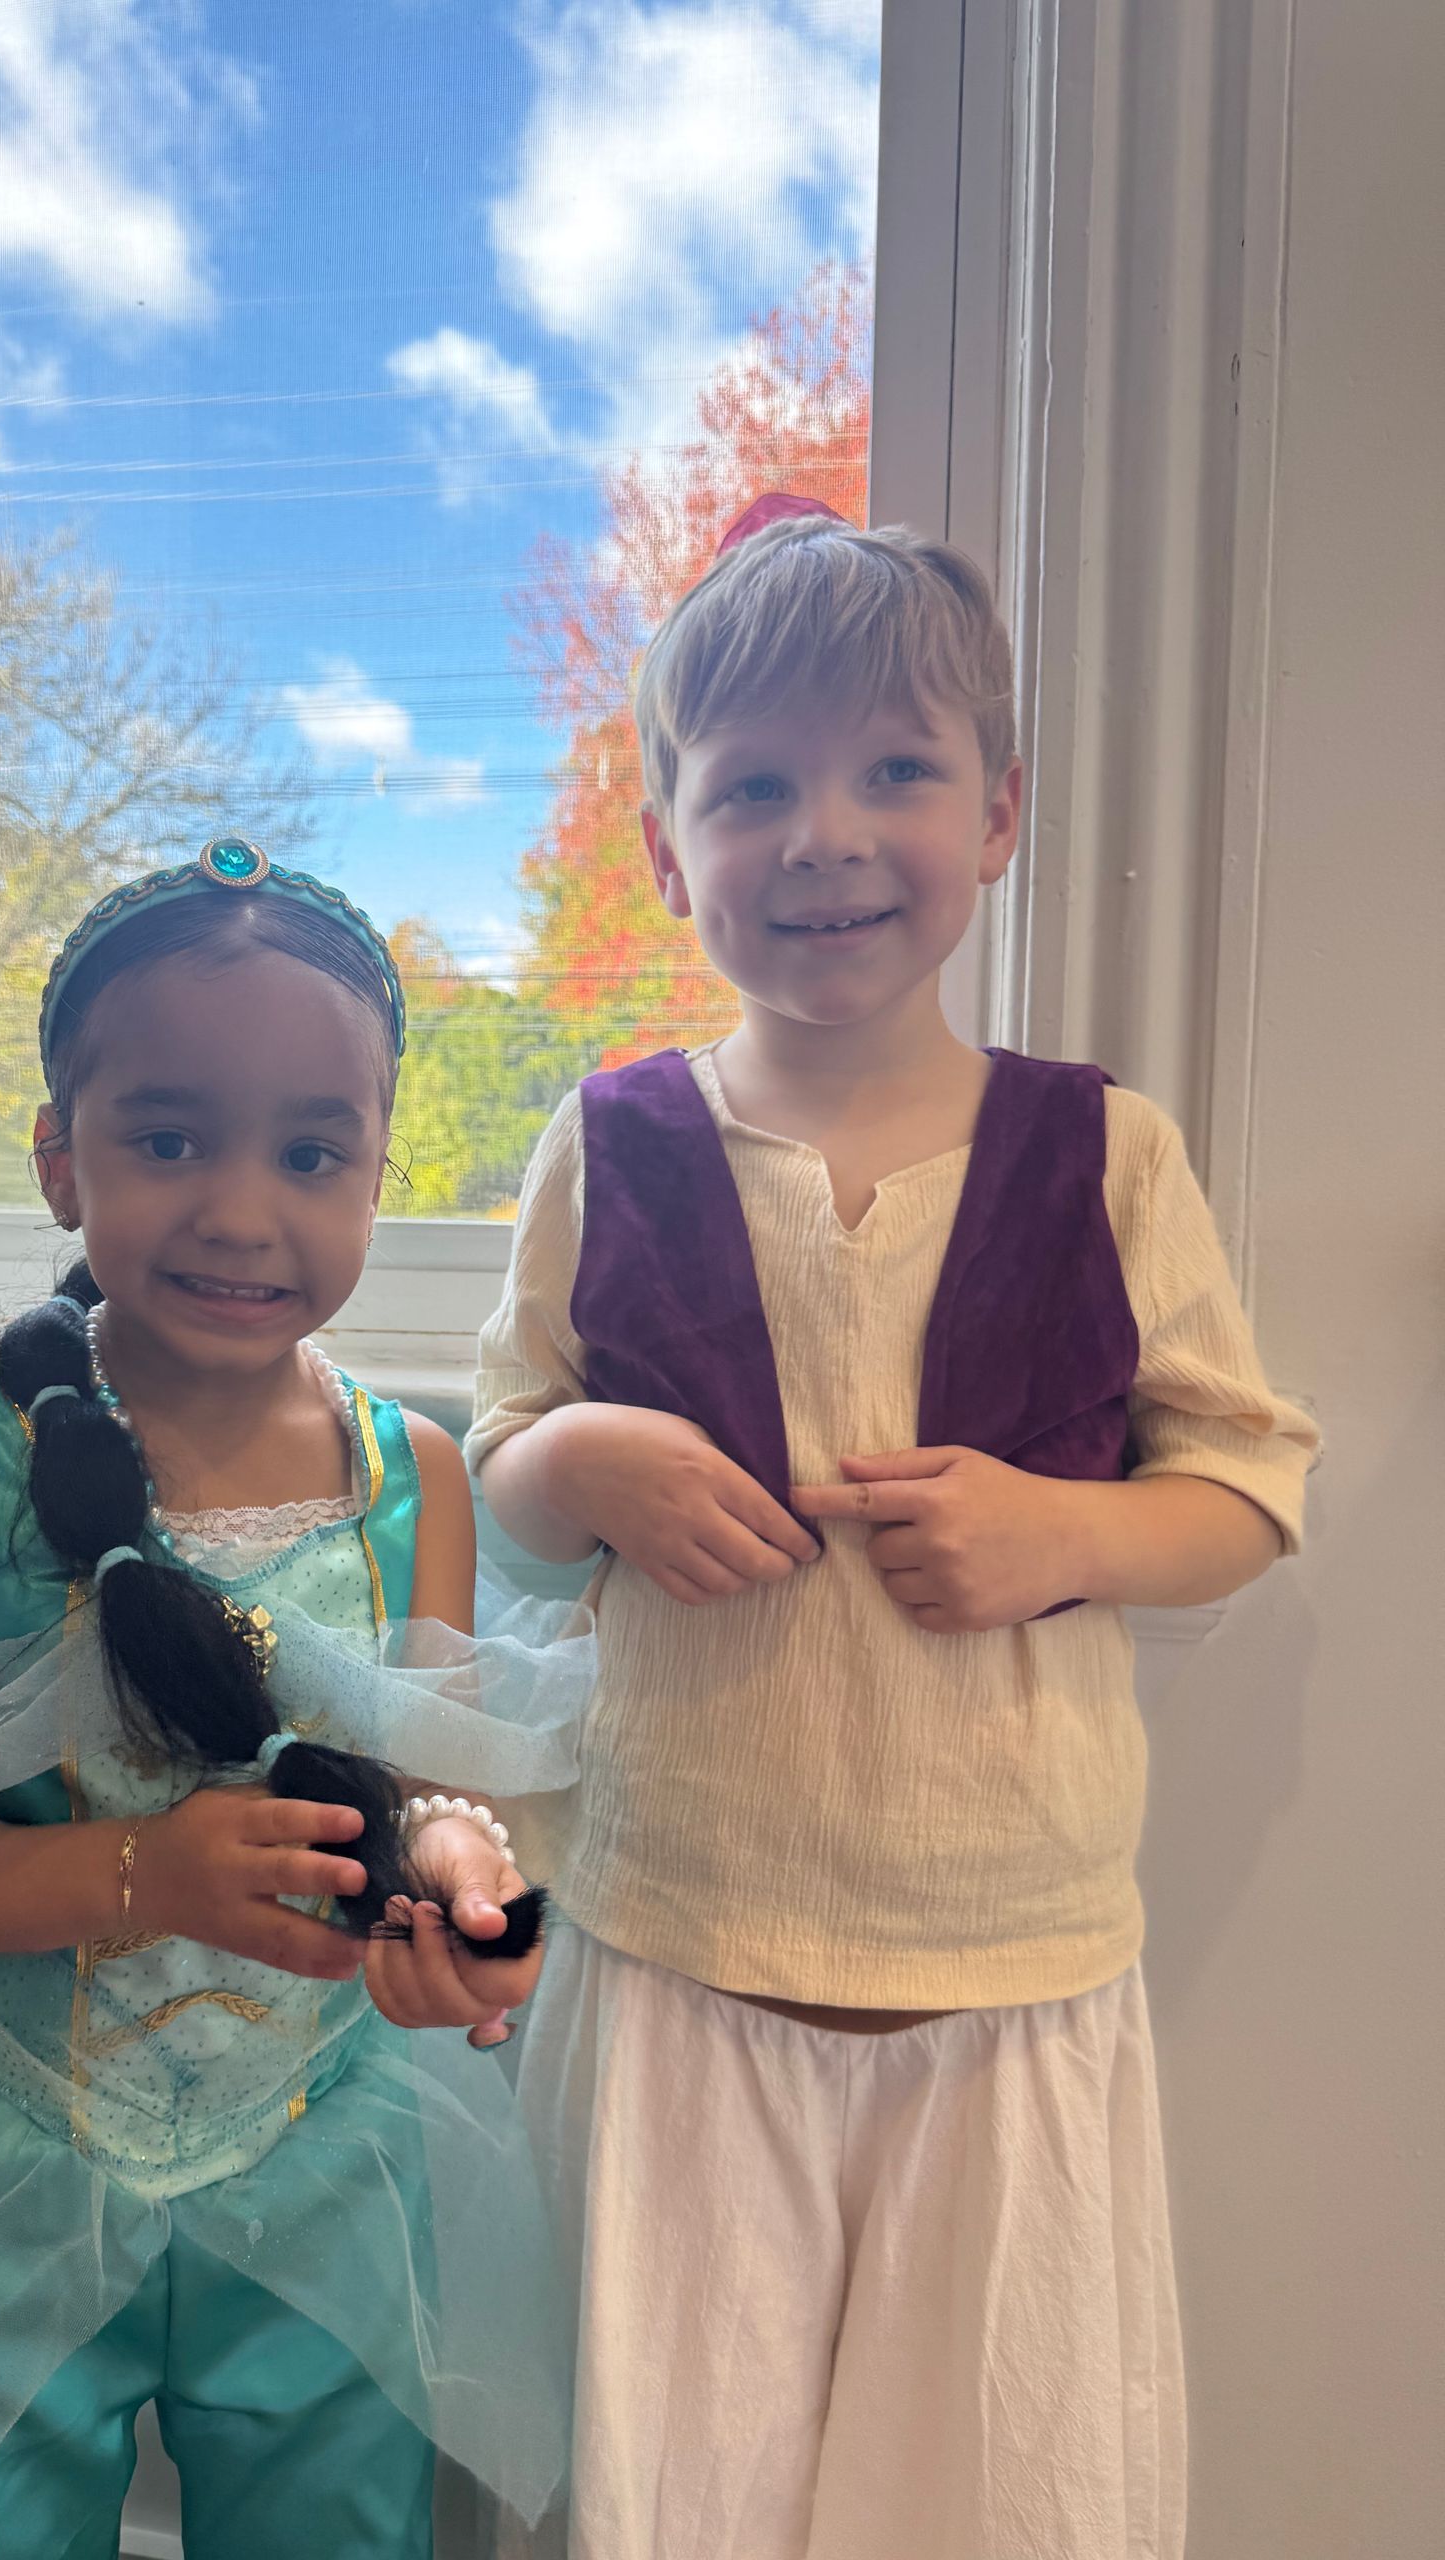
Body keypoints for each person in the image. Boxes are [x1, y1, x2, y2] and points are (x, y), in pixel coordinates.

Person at [470, 503, 1319, 2560]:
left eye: (897, 769)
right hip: (678, 1960)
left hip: (1009, 1978)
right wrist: (576, 1463)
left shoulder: (1105, 1153)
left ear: (999, 811)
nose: (826, 835)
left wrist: (1067, 1533)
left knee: (996, 2493)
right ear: (668, 849)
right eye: (754, 786)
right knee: (662, 2483)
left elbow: (1245, 1488)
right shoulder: (610, 1140)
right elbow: (497, 1449)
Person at [0, 839, 590, 2560]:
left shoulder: (415, 1480)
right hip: (12, 2155)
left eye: (311, 1153)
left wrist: (457, 1895)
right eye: (170, 1140)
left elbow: (427, 1796)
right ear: (62, 1160)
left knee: (339, 2530)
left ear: (377, 1173)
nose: (242, 1212)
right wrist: (146, 1875)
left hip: (331, 2156)